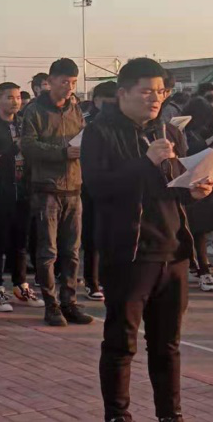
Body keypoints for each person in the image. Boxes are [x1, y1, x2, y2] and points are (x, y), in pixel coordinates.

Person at [83, 57, 213, 422]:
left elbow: (173, 186)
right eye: (146, 91)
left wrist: (195, 190)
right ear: (123, 93)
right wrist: (145, 162)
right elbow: (97, 187)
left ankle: (170, 415)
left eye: (160, 91)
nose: (155, 98)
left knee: (167, 345)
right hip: (129, 252)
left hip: (173, 251)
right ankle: (117, 415)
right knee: (120, 343)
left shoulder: (168, 132)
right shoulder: (99, 132)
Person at [20, 58, 93, 326]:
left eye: (73, 82)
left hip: (74, 187)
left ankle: (69, 302)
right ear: (50, 81)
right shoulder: (34, 111)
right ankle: (51, 305)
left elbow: (83, 139)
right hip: (46, 188)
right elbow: (27, 146)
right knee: (48, 251)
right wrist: (62, 153)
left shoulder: (75, 109)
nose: (69, 87)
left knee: (72, 251)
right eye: (64, 82)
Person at [0, 82, 42, 312]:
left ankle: (21, 284)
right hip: (0, 190)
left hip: (24, 189)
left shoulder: (25, 123)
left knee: (21, 242)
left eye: (17, 97)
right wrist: (13, 149)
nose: (15, 102)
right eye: (9, 97)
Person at [181, 98, 213, 292]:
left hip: (203, 183)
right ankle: (201, 269)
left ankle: (199, 267)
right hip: (191, 185)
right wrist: (206, 145)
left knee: (199, 230)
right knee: (197, 230)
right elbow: (186, 154)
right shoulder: (184, 132)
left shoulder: (196, 131)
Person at [81, 82, 118, 301]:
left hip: (115, 183)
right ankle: (91, 281)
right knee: (92, 235)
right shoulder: (87, 122)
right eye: (107, 102)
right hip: (89, 184)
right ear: (96, 101)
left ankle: (107, 277)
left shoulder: (123, 123)